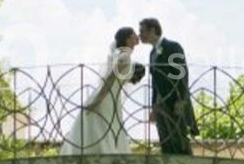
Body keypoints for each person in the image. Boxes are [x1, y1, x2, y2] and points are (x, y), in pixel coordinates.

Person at [60, 27, 144, 156]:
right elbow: (110, 79)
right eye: (133, 35)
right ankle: (104, 152)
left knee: (103, 124)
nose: (136, 36)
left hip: (111, 95)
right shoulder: (125, 56)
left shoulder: (120, 54)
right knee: (103, 124)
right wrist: (97, 100)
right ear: (128, 39)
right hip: (107, 95)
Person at [139, 18, 198, 155]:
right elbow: (154, 82)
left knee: (179, 137)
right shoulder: (152, 53)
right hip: (160, 102)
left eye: (142, 31)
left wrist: (180, 100)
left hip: (174, 100)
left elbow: (181, 74)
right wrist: (153, 105)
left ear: (153, 30)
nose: (140, 35)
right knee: (165, 138)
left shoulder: (173, 47)